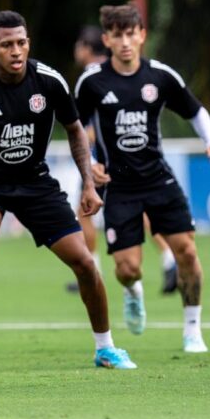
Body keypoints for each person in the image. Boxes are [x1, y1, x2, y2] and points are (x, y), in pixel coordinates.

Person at [0, 10, 136, 372]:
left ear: (28, 44)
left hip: (36, 184)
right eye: (6, 45)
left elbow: (76, 130)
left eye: (21, 43)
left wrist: (89, 182)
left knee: (83, 262)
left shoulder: (49, 82)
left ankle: (106, 348)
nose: (15, 51)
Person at [74, 3, 210, 353]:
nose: (126, 41)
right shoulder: (92, 82)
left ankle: (192, 330)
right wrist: (89, 167)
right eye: (117, 35)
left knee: (186, 251)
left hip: (159, 180)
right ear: (107, 40)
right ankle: (132, 291)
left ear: (142, 36)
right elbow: (75, 128)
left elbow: (195, 110)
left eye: (132, 34)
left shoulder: (160, 76)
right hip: (117, 186)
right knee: (127, 269)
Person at [66, 26, 178, 295]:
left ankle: (91, 271)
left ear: (84, 47)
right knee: (146, 210)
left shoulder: (93, 79)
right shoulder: (122, 71)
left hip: (105, 161)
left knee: (83, 210)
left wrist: (90, 158)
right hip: (133, 159)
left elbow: (90, 128)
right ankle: (168, 257)